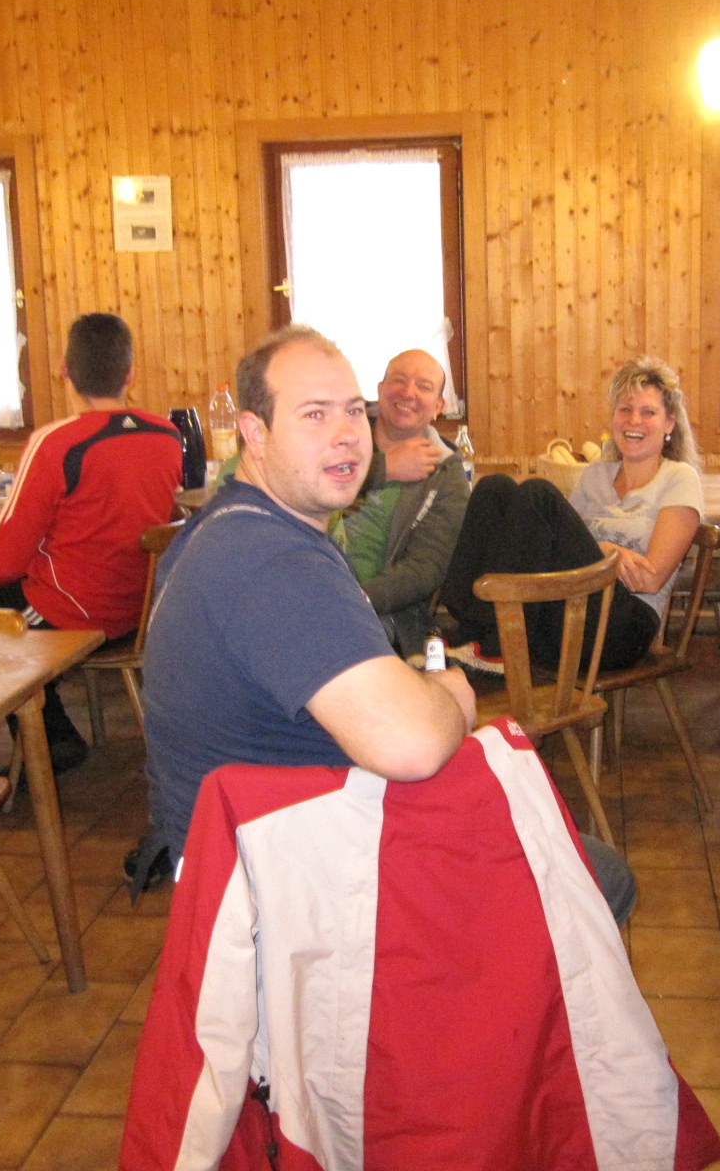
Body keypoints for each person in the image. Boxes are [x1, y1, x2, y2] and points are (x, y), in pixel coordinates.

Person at [134, 326, 636, 922]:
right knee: (598, 874)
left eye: (352, 411)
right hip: (287, 883)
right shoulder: (274, 561)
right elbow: (412, 745)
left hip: (258, 845)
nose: (346, 433)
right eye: (314, 414)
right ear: (255, 433)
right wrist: (451, 696)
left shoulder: (229, 527)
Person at [0, 313, 182, 770]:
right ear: (129, 374)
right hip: (140, 614)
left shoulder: (55, 443)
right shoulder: (167, 436)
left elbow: (5, 558)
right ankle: (53, 733)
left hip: (72, 616)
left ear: (65, 371)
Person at [442, 356, 703, 674]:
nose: (634, 420)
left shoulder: (679, 479)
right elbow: (560, 547)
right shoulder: (596, 474)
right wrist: (604, 552)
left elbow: (648, 580)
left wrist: (604, 553)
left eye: (648, 412)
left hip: (622, 628)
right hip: (567, 611)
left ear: (669, 423)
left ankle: (496, 645)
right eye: (625, 410)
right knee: (494, 488)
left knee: (538, 494)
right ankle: (471, 632)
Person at [342, 348, 468, 654]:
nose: (408, 392)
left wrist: (356, 599)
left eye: (423, 386)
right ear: (380, 390)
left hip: (379, 611)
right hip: (305, 582)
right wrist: (383, 468)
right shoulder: (340, 438)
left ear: (438, 407)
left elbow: (425, 568)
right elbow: (299, 484)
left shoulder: (446, 473)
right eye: (399, 380)